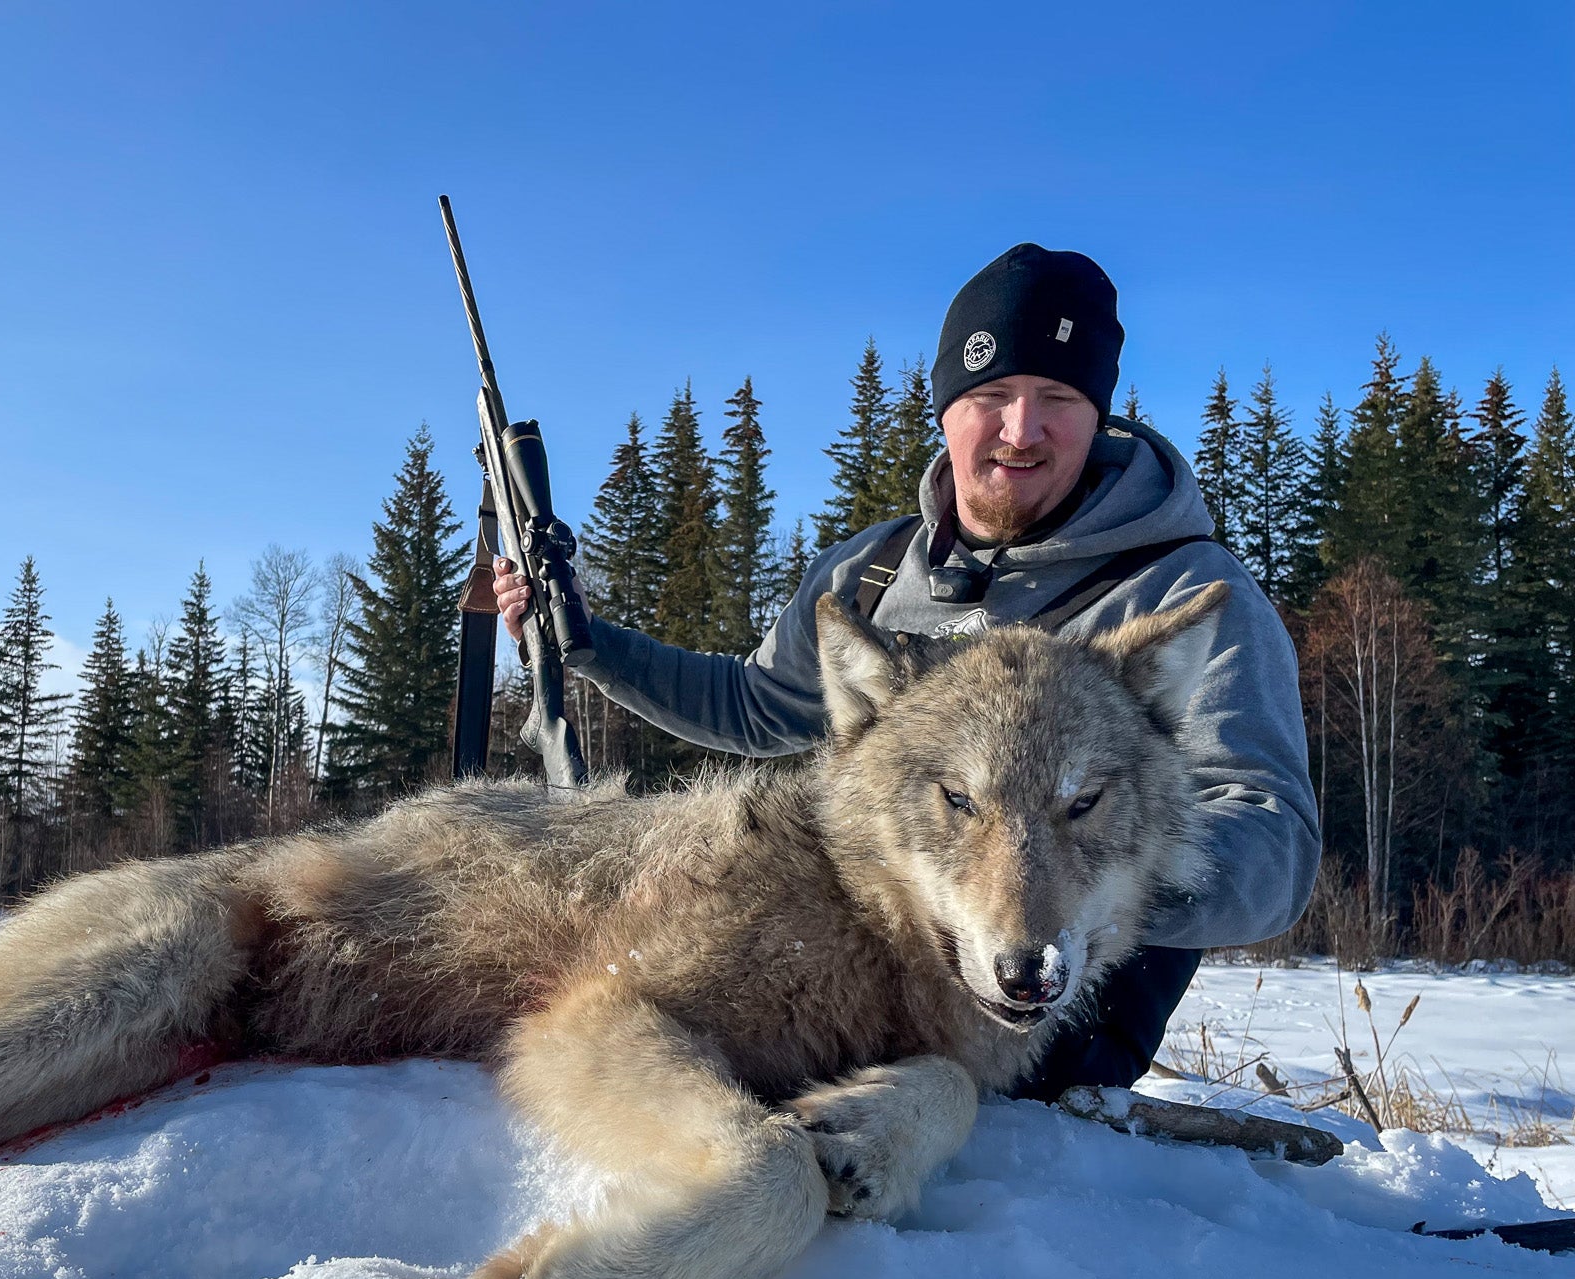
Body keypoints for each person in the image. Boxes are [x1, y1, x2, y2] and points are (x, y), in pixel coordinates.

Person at [493, 242, 1320, 1098]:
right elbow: (754, 707)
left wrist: (1101, 877)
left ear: (1099, 413)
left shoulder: (1185, 597)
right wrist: (589, 645)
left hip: (1040, 1044)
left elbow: (1274, 844)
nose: (1021, 430)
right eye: (991, 396)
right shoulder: (872, 572)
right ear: (947, 410)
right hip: (849, 988)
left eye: (1058, 399)